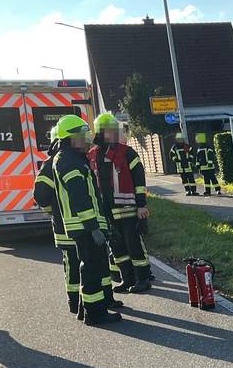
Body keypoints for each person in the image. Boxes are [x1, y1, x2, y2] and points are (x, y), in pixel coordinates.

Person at [52, 114, 121, 326]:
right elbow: (80, 198)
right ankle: (95, 314)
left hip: (85, 225)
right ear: (69, 138)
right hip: (84, 226)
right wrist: (93, 228)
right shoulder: (69, 161)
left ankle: (86, 309)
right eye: (81, 136)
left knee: (93, 266)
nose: (85, 140)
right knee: (91, 268)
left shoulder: (71, 158)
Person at [89, 112, 152, 293]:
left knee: (133, 244)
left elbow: (139, 179)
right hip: (106, 211)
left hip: (128, 209)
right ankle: (127, 279)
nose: (112, 134)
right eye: (108, 131)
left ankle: (143, 278)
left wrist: (141, 204)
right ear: (100, 132)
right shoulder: (93, 155)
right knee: (117, 246)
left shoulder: (127, 152)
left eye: (114, 130)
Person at [33, 125, 83, 315]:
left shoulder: (76, 160)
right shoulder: (52, 164)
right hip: (66, 227)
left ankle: (92, 299)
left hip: (80, 225)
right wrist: (54, 211)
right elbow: (40, 195)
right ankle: (74, 301)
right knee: (72, 264)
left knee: (86, 264)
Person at [193, 132, 221, 196]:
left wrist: (210, 163)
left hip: (209, 167)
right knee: (206, 180)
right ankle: (207, 191)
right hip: (204, 168)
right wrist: (197, 165)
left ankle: (217, 190)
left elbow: (211, 156)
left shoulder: (208, 148)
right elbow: (198, 158)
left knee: (213, 179)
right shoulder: (200, 149)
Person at [170, 132, 197, 196]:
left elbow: (192, 153)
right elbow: (171, 155)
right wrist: (176, 160)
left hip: (188, 166)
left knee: (191, 179)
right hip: (180, 167)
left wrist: (189, 159)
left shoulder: (186, 146)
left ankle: (193, 191)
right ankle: (187, 190)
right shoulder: (175, 147)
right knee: (184, 180)